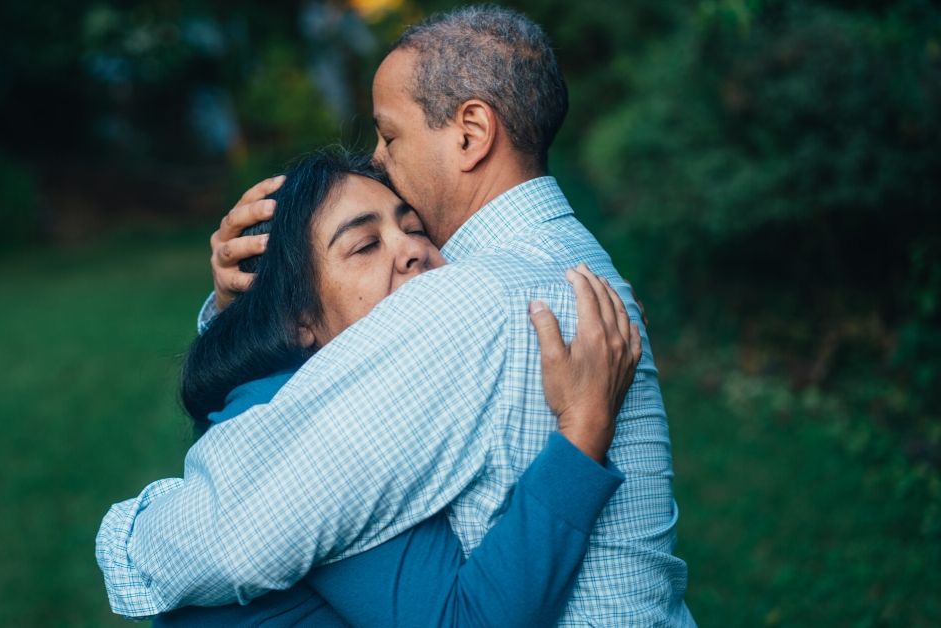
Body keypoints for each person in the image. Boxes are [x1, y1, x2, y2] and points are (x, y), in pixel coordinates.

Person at [100, 6, 693, 625]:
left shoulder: (470, 299)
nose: (379, 159)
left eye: (390, 134)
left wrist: (131, 534)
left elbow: (229, 533)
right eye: (364, 243)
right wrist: (244, 308)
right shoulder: (579, 270)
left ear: (470, 133)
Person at [144, 150, 635, 626]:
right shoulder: (321, 435)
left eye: (414, 228)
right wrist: (583, 430)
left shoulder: (340, 390)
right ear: (298, 320)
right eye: (364, 245)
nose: (412, 249)